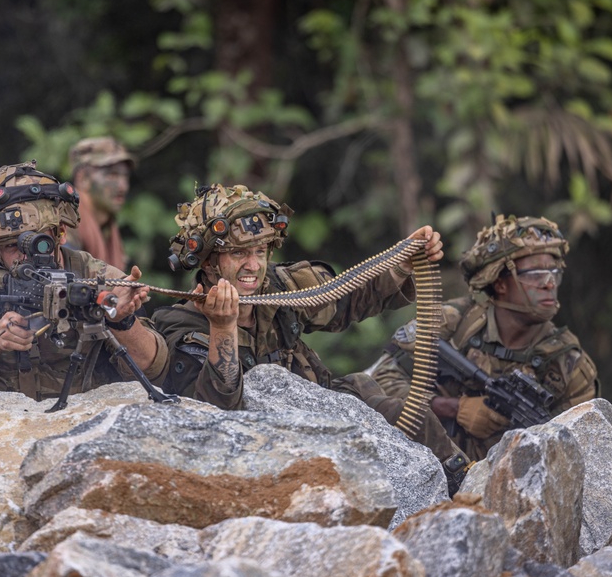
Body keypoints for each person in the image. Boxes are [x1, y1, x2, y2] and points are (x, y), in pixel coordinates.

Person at [151, 183, 472, 491]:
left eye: (260, 251)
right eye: (237, 253)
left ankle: (469, 484)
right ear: (208, 262)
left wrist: (401, 266)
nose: (253, 265)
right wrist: (223, 328)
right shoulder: (182, 324)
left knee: (413, 416)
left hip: (327, 412)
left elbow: (346, 297)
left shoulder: (281, 287)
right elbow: (212, 416)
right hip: (263, 452)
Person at [0, 161, 168, 401]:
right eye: (12, 246)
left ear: (60, 233)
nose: (28, 256)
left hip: (78, 417)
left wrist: (122, 321)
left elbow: (154, 368)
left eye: (40, 242)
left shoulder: (93, 275)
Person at [368, 214, 599, 461]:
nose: (549, 284)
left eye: (554, 273)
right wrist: (453, 408)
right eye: (535, 274)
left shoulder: (570, 366)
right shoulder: (453, 322)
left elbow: (583, 454)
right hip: (422, 466)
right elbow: (380, 381)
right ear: (499, 282)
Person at [65, 137, 135, 271]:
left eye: (125, 176)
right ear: (83, 179)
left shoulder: (107, 227)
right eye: (112, 175)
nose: (123, 187)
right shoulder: (63, 225)